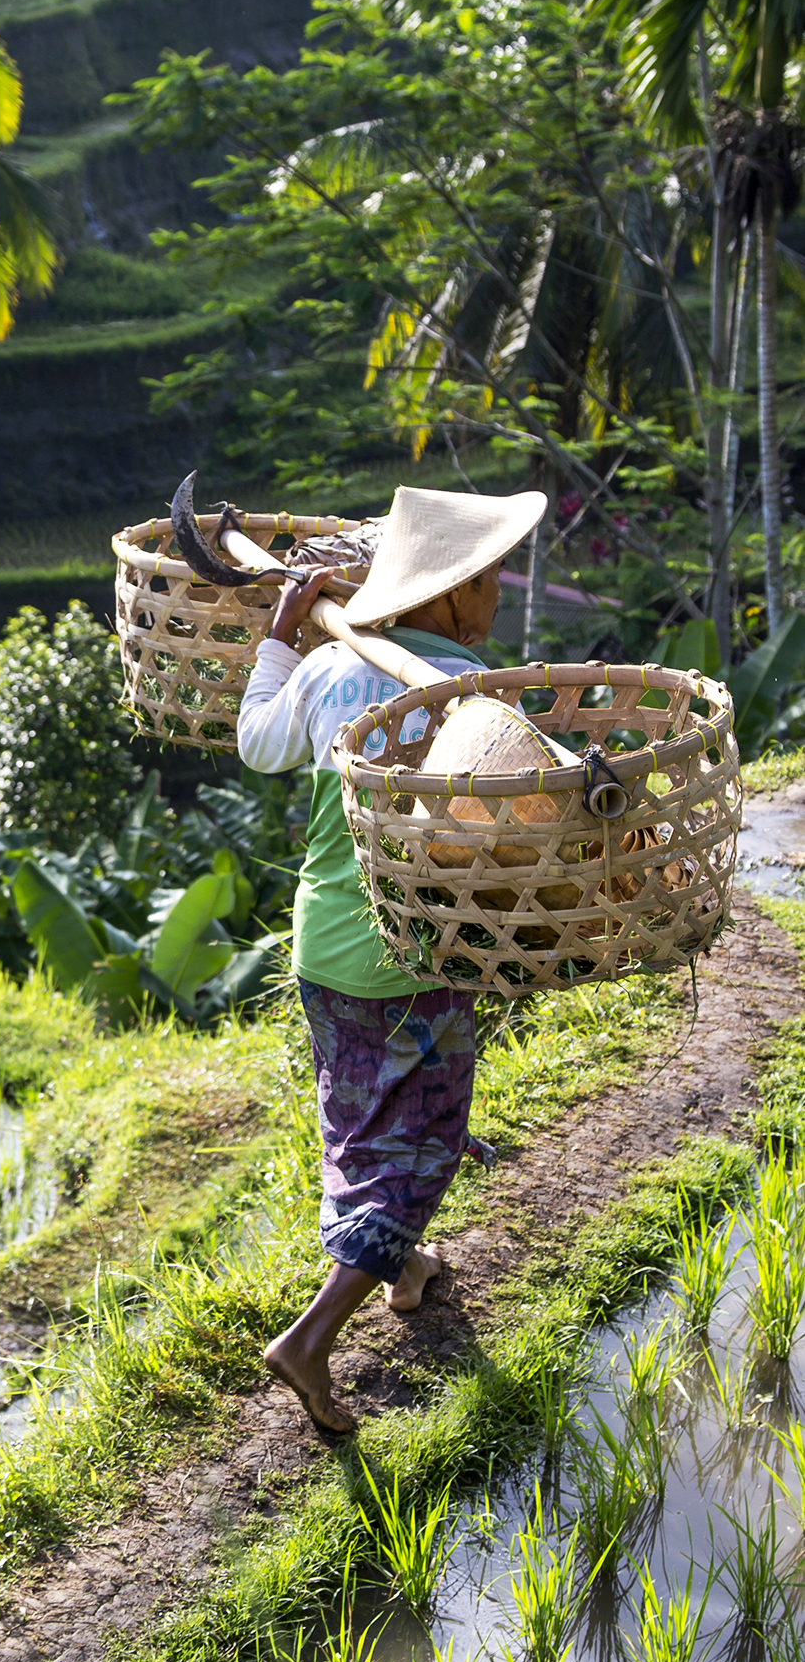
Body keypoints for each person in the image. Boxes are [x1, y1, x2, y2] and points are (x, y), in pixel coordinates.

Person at [238, 484, 547, 1433]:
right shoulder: (473, 700)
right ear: (451, 595)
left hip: (324, 941)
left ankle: (404, 1269)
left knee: (357, 1116)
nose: (498, 594)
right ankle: (310, 1339)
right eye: (490, 579)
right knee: (423, 1144)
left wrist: (283, 639)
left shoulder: (334, 669)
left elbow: (256, 745)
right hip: (416, 954)